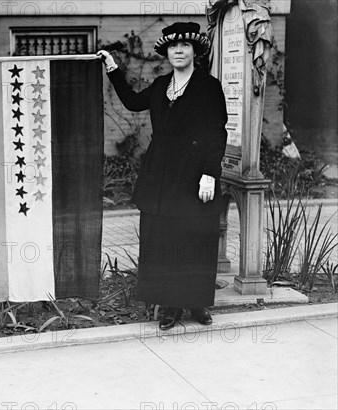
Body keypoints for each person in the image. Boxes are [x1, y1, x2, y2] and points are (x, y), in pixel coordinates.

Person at [97, 22, 228, 330]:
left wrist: (210, 173)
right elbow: (131, 102)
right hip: (161, 177)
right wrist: (113, 68)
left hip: (195, 176)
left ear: (195, 51)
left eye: (184, 45)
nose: (178, 50)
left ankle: (196, 303)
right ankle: (169, 306)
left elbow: (216, 133)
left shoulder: (209, 87)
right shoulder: (160, 86)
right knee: (165, 241)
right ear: (166, 52)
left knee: (194, 240)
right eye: (172, 46)